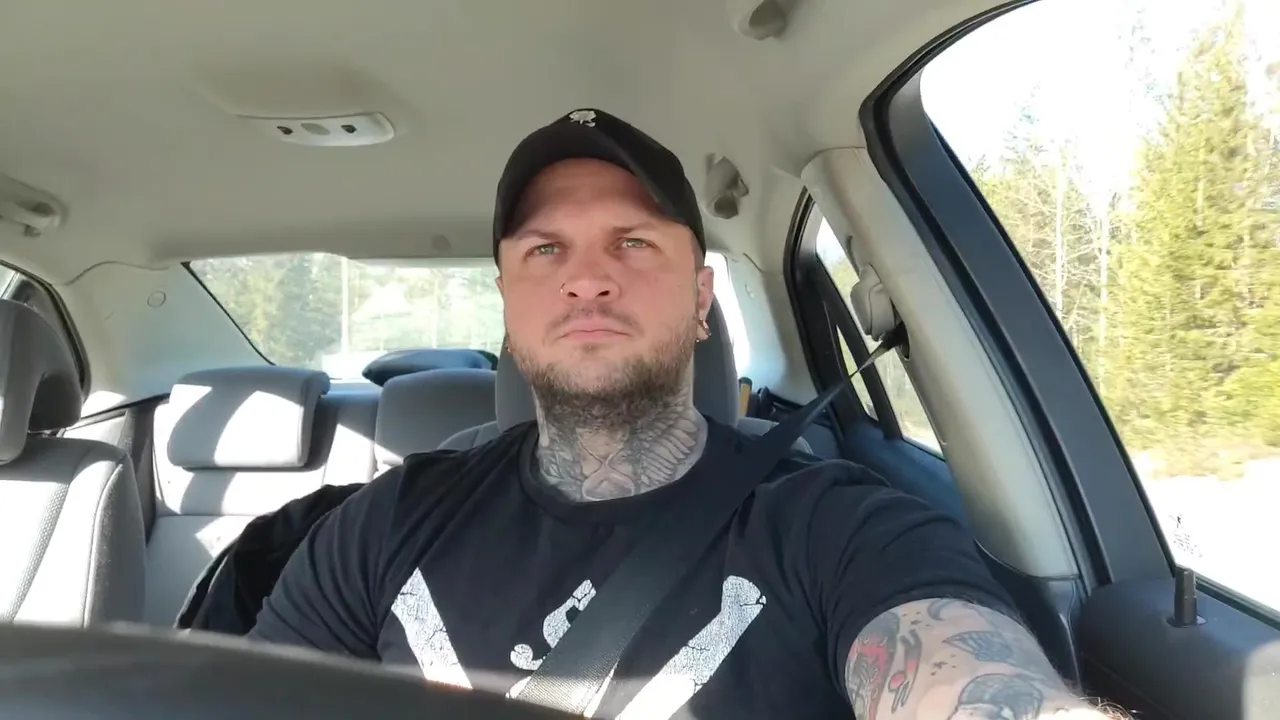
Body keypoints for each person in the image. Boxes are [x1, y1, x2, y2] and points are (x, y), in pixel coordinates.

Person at [248, 108, 1128, 720]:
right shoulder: (382, 527)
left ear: (701, 298)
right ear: (508, 305)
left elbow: (963, 676)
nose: (587, 278)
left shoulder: (837, 529)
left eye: (633, 243)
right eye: (545, 250)